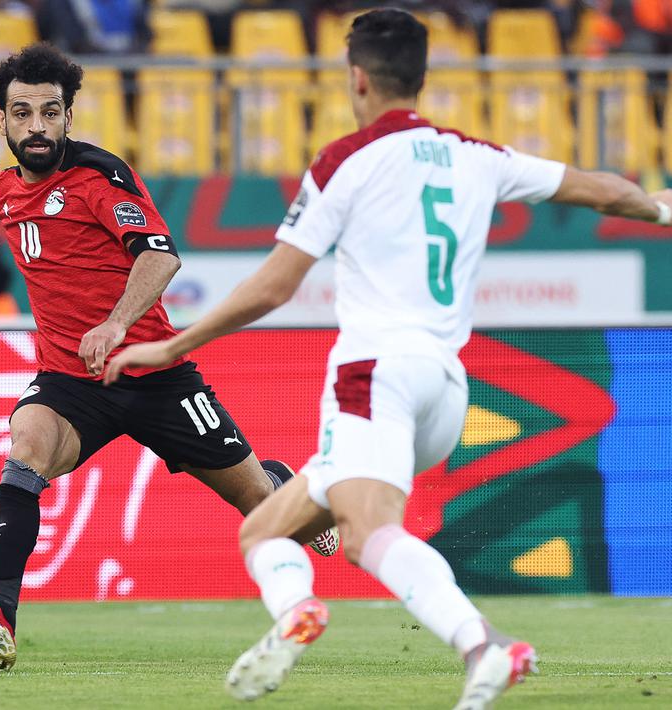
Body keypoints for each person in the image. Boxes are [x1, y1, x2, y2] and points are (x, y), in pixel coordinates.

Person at [104, 8, 672, 708]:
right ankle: (295, 612)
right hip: (444, 391)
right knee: (265, 530)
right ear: (420, 78)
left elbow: (275, 285)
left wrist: (175, 342)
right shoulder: (478, 155)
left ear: (356, 78)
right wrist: (658, 209)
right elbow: (603, 190)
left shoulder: (344, 161)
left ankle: (483, 643)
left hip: (374, 378)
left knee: (367, 533)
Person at [0, 43, 338, 673]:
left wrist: (116, 322)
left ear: (69, 116)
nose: (37, 127)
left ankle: (285, 488)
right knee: (26, 450)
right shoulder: (11, 187)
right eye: (22, 114)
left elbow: (160, 256)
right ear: (4, 122)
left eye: (50, 113)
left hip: (155, 375)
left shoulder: (101, 176)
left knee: (262, 508)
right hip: (69, 383)